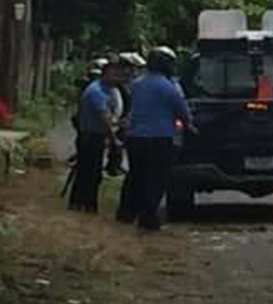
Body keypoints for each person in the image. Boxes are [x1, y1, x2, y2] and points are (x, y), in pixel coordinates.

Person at [117, 47, 193, 231]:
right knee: (155, 180)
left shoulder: (136, 84)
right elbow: (182, 110)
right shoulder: (169, 86)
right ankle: (148, 218)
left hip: (135, 138)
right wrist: (189, 124)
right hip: (159, 139)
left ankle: (126, 214)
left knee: (136, 176)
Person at [68, 56, 123, 213]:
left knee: (88, 172)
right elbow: (104, 119)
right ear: (104, 74)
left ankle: (81, 203)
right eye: (114, 75)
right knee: (90, 173)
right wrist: (114, 140)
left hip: (93, 135)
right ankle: (86, 204)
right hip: (91, 137)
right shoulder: (96, 92)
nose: (117, 79)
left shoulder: (104, 91)